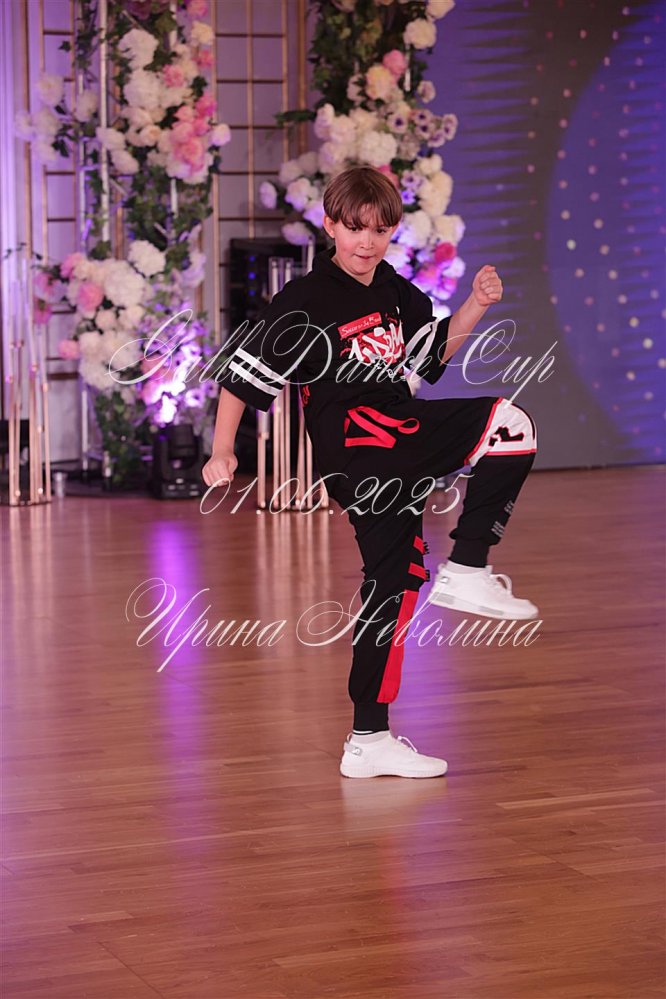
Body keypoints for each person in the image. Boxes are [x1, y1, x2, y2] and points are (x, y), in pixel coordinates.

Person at [202, 166, 537, 780]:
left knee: (396, 582)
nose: (367, 243)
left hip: (397, 443)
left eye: (380, 231)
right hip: (362, 450)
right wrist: (223, 449)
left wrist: (475, 305)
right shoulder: (304, 300)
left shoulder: (396, 292)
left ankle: (368, 737)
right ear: (330, 226)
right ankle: (467, 567)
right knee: (507, 424)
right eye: (355, 229)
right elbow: (243, 375)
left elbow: (430, 358)